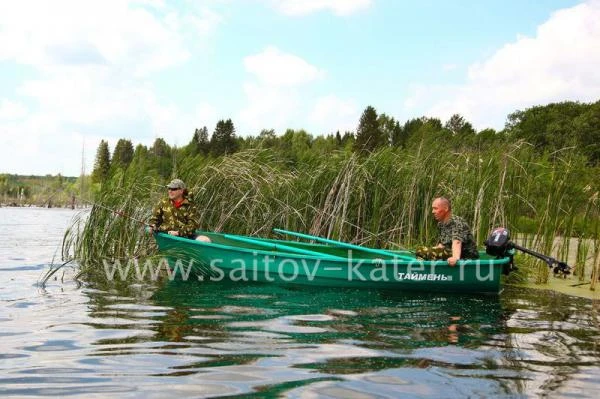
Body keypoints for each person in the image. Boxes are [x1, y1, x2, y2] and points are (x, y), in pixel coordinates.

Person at [415, 197, 478, 266]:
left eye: (435, 208)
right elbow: (442, 245)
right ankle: (423, 271)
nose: (433, 212)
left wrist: (455, 258)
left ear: (446, 209)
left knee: (422, 251)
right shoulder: (441, 224)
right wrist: (433, 249)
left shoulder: (456, 222)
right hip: (449, 253)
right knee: (420, 251)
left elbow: (457, 242)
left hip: (466, 258)